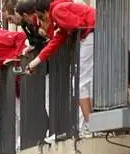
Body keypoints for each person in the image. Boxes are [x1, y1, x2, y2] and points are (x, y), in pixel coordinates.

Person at [24, 0, 95, 129]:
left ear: (45, 12)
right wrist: (35, 62)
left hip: (90, 35)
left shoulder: (57, 11)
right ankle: (90, 124)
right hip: (92, 34)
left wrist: (63, 31)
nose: (40, 22)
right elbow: (56, 41)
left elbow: (77, 26)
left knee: (80, 84)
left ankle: (91, 125)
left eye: (41, 17)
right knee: (85, 83)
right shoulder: (59, 11)